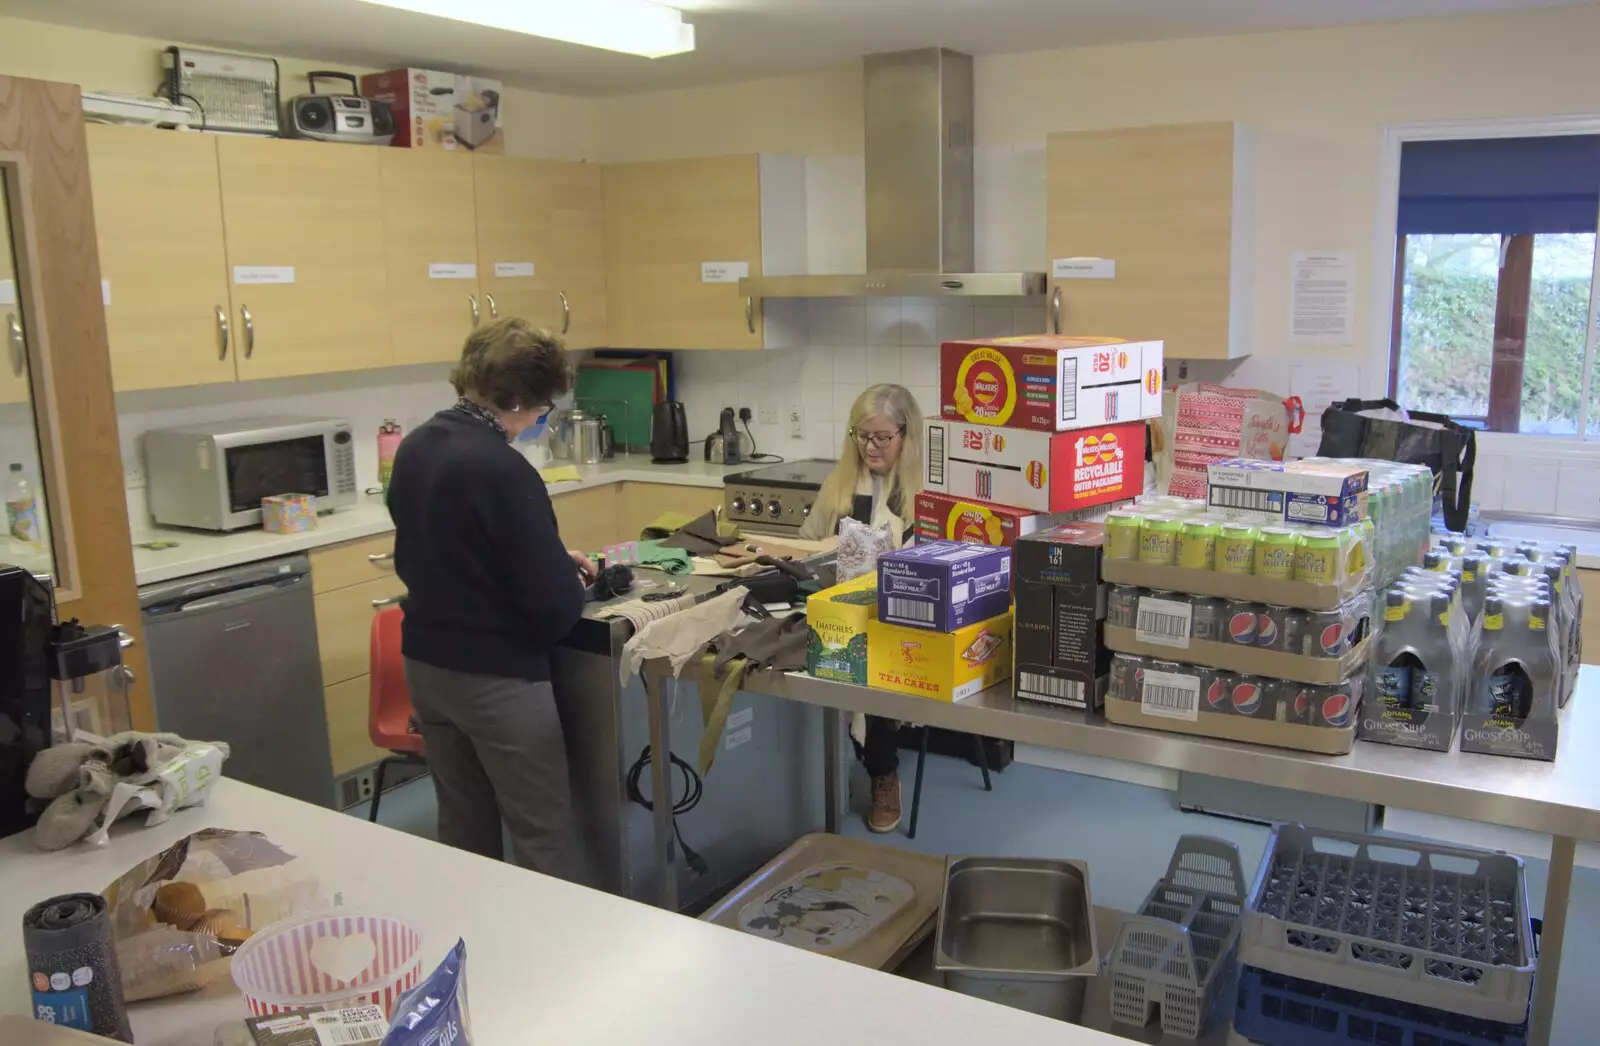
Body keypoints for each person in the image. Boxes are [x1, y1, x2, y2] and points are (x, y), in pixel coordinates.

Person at [386, 317, 596, 878]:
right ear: (519, 397)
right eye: (542, 406)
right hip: (495, 678)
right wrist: (569, 580)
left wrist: (549, 559)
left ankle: (477, 940)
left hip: (428, 666)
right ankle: (545, 953)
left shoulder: (417, 446)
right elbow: (552, 610)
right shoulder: (502, 468)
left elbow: (458, 552)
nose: (539, 418)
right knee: (539, 829)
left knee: (463, 821)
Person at [800, 383, 924, 833]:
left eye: (882, 438)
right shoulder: (839, 487)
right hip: (838, 608)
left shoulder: (920, 493)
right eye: (862, 436)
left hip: (897, 617)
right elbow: (806, 546)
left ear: (906, 437)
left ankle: (882, 772)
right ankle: (805, 776)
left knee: (875, 661)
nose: (870, 447)